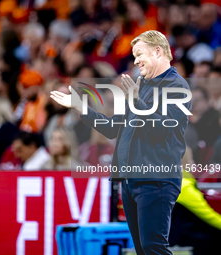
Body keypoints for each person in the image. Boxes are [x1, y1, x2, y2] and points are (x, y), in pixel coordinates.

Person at [50, 30, 192, 254]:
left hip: (156, 180)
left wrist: (135, 100)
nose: (135, 61)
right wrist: (82, 108)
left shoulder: (176, 86)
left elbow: (162, 130)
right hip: (130, 180)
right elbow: (113, 127)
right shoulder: (141, 87)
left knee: (153, 247)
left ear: (158, 51)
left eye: (139, 54)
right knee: (143, 249)